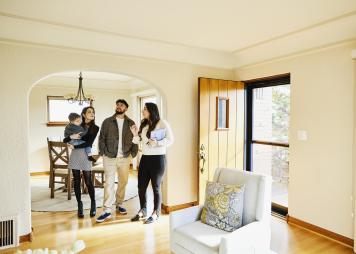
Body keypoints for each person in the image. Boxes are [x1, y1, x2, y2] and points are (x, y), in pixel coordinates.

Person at [130, 102, 174, 224]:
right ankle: (143, 210)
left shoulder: (162, 123)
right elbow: (138, 141)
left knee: (156, 187)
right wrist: (135, 133)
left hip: (158, 159)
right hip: (145, 158)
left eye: (145, 109)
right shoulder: (144, 124)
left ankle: (156, 213)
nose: (142, 111)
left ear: (151, 110)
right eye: (143, 109)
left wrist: (158, 143)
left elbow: (170, 140)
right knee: (141, 186)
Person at [96, 99, 138, 223]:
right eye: (118, 105)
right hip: (109, 157)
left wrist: (133, 153)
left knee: (123, 182)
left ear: (126, 108)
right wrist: (103, 152)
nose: (119, 107)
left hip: (125, 158)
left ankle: (119, 203)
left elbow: (136, 137)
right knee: (109, 183)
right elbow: (101, 137)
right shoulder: (107, 121)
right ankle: (107, 210)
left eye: (122, 105)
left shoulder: (131, 123)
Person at [63, 106, 99, 218]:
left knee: (88, 181)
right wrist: (70, 137)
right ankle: (80, 204)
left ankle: (93, 203)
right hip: (75, 156)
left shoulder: (95, 128)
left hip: (85, 154)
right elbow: (65, 139)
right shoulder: (77, 124)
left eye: (93, 112)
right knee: (77, 181)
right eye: (89, 112)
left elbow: (88, 143)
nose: (92, 113)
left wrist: (74, 146)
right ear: (83, 114)